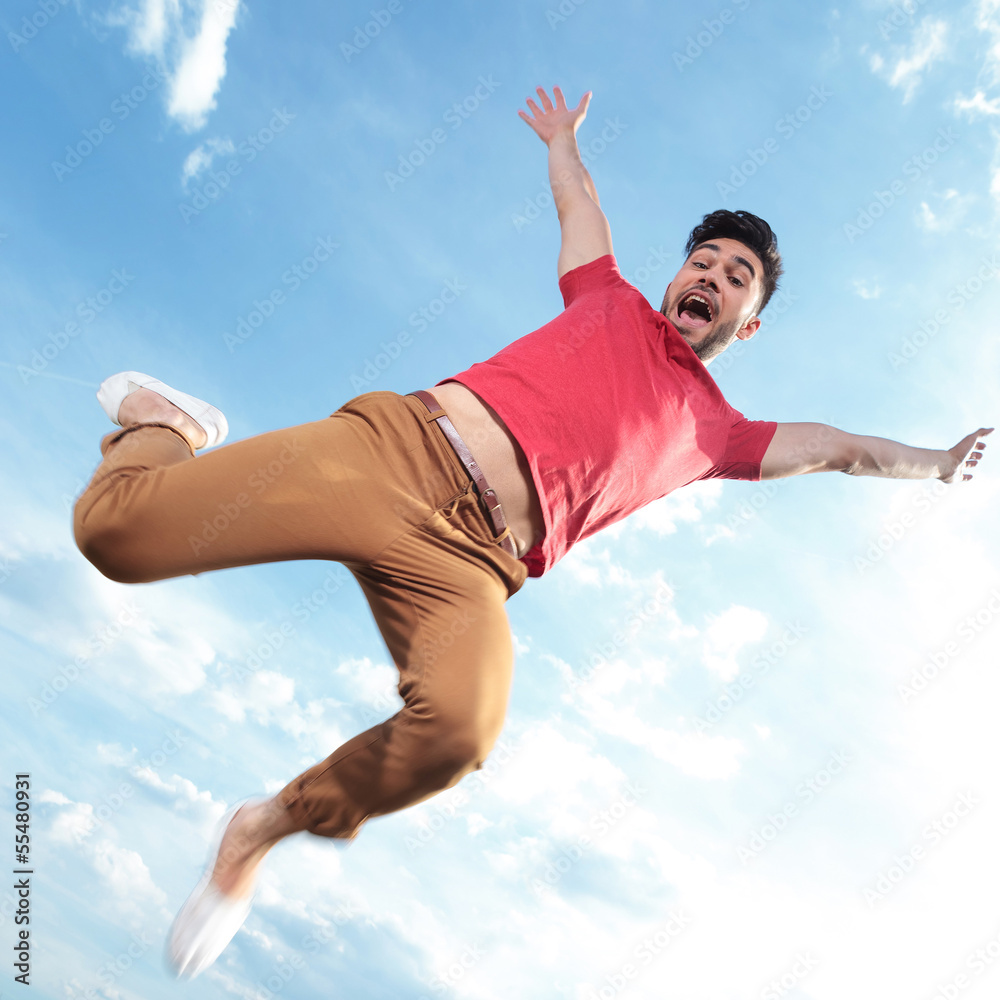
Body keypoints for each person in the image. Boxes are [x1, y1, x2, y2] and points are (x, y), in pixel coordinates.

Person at [72, 85, 991, 979]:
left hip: (475, 565)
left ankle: (260, 828)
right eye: (703, 260)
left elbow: (838, 449)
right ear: (678, 277)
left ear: (749, 326)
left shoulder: (721, 433)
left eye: (736, 276)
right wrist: (561, 140)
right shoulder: (607, 299)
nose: (711, 275)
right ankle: (170, 426)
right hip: (396, 454)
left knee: (460, 732)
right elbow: (578, 201)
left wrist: (937, 462)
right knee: (114, 536)